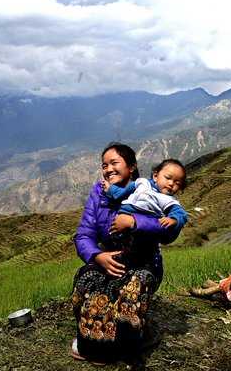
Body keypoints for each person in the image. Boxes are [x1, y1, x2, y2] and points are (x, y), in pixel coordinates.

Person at [71, 143, 185, 364]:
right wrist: (97, 256)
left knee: (132, 292)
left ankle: (126, 344)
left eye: (114, 163)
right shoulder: (99, 193)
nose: (108, 169)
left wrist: (134, 222)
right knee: (86, 281)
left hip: (143, 264)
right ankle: (93, 343)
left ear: (131, 167)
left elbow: (169, 232)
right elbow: (84, 234)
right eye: (104, 165)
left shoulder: (150, 192)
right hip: (108, 261)